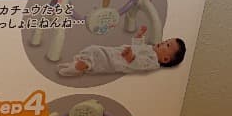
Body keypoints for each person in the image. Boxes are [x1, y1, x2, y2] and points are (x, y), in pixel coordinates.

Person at [57, 27, 185, 77]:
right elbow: (138, 46)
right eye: (166, 41)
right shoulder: (150, 49)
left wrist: (131, 57)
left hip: (116, 62)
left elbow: (139, 64)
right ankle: (77, 64)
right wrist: (139, 36)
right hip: (116, 53)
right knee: (94, 49)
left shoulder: (152, 62)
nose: (163, 42)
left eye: (167, 45)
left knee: (96, 53)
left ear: (165, 59)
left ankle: (79, 68)